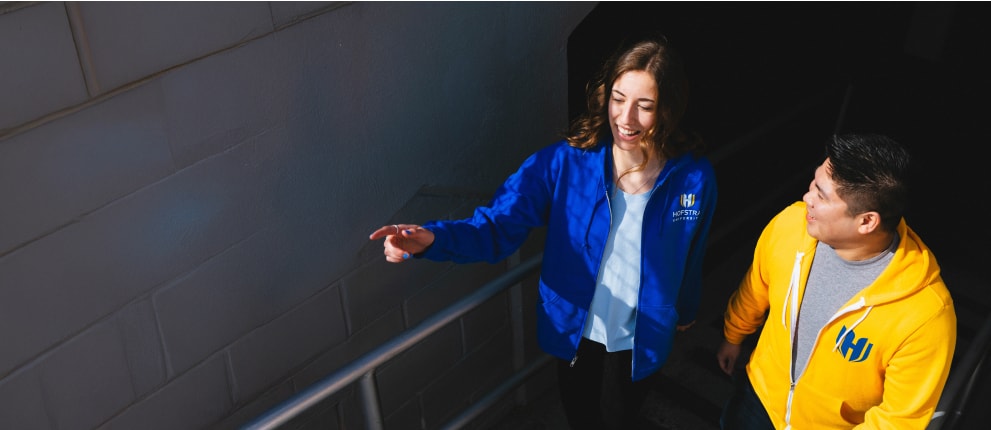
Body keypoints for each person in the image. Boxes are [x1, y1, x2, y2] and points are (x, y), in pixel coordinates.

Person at [369, 36, 717, 429]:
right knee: (582, 418)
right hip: (575, 329)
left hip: (645, 333)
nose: (626, 117)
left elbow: (690, 254)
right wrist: (432, 239)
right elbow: (498, 225)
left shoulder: (693, 178)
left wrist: (685, 310)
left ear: (668, 109)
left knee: (623, 417)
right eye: (618, 99)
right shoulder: (564, 163)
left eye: (645, 106)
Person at [716, 133, 956, 429]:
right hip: (757, 398)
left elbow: (898, 420)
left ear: (866, 221)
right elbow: (756, 287)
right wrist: (734, 335)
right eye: (814, 184)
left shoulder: (926, 316)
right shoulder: (790, 225)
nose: (807, 198)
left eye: (821, 195)